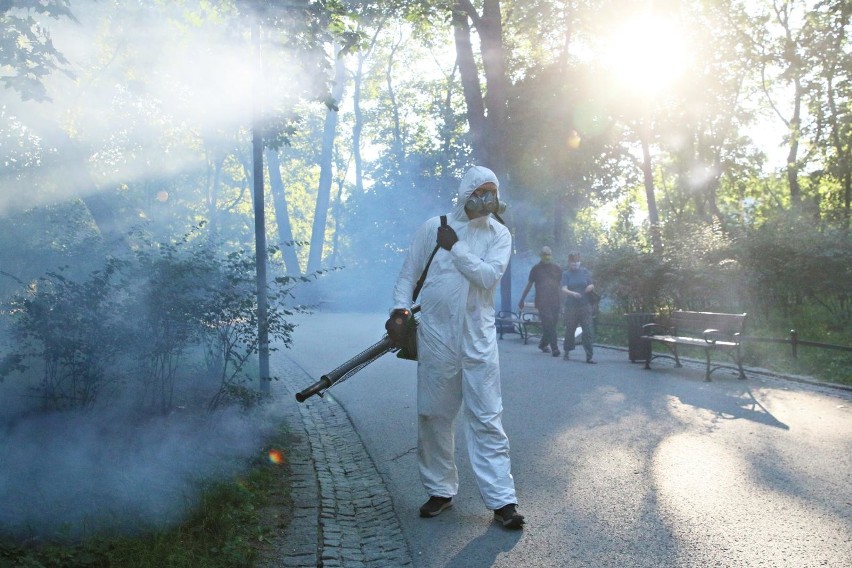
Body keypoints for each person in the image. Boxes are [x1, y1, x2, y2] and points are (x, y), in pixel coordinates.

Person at [385, 165, 525, 529]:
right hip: (436, 337)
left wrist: (457, 248)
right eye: (480, 190)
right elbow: (407, 276)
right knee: (433, 415)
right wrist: (399, 312)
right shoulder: (434, 227)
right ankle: (440, 491)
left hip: (478, 339)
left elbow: (487, 275)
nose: (487, 198)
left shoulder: (499, 235)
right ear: (466, 192)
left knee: (487, 418)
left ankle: (502, 501)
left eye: (492, 191)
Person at [518, 245, 563, 357]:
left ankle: (543, 344)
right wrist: (522, 299)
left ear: (551, 255)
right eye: (544, 254)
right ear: (540, 255)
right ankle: (555, 348)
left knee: (553, 323)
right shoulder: (536, 269)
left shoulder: (557, 268)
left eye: (548, 254)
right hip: (542, 301)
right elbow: (529, 285)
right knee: (549, 323)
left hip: (555, 301)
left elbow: (561, 286)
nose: (547, 256)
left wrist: (563, 301)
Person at [561, 252, 597, 363]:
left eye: (577, 262)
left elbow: (591, 284)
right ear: (569, 262)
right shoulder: (566, 274)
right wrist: (572, 293)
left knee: (587, 330)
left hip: (585, 305)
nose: (575, 264)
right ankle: (567, 351)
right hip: (571, 306)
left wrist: (589, 288)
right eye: (573, 262)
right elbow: (563, 288)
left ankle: (589, 355)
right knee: (570, 329)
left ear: (580, 262)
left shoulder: (585, 272)